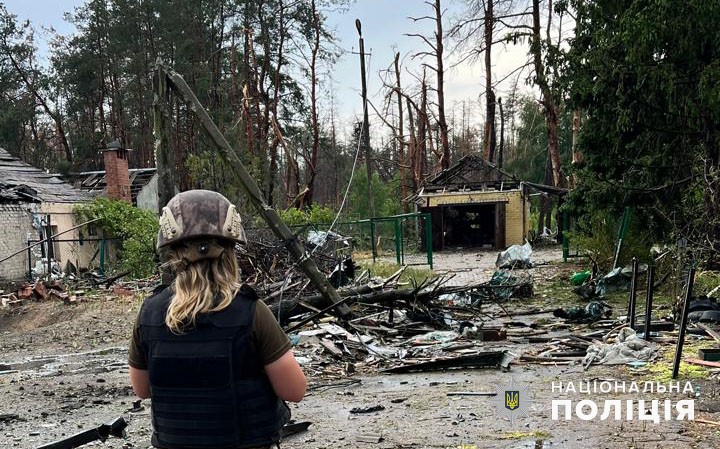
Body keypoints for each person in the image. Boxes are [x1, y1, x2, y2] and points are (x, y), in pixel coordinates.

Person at [128, 189, 306, 449]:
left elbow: (142, 390)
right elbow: (295, 390)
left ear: (173, 253)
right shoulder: (251, 312)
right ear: (231, 250)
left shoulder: (150, 314)